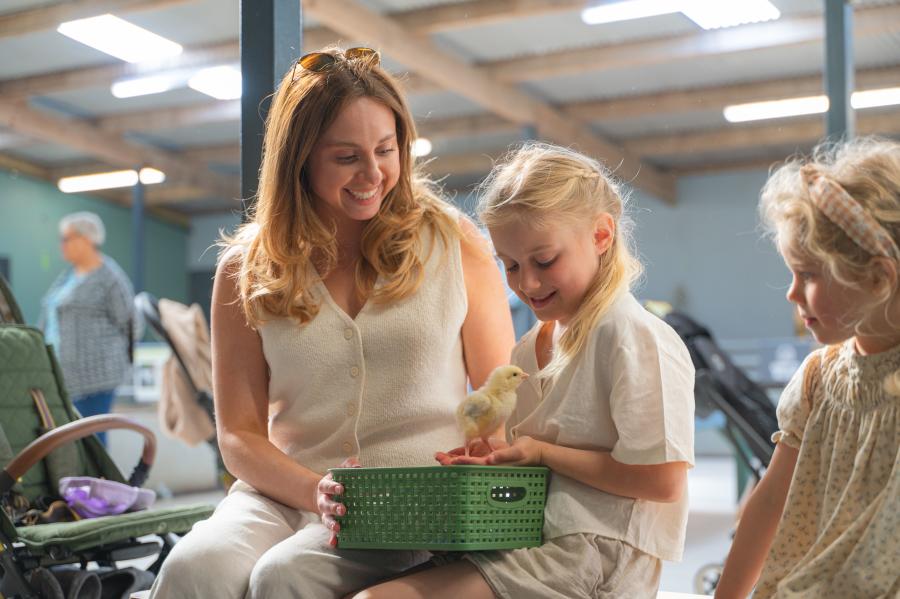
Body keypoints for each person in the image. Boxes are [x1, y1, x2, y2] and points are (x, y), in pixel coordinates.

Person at [149, 46, 514, 599]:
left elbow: (500, 404)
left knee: (286, 577)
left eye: (386, 150)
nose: (373, 174)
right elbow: (240, 436)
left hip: (409, 499)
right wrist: (315, 488)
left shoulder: (454, 243)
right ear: (300, 158)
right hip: (280, 490)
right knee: (192, 568)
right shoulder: (245, 269)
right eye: (346, 157)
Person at [353, 142, 696, 599]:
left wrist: (542, 453)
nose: (526, 283)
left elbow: (663, 480)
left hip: (598, 554)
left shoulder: (633, 337)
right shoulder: (529, 350)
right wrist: (491, 458)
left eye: (545, 261)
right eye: (510, 265)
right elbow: (532, 457)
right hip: (532, 536)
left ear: (600, 235)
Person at [714, 137, 900, 599]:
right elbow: (770, 501)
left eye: (809, 275)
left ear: (877, 277)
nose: (792, 294)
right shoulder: (820, 378)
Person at [40, 211, 135, 445]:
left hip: (95, 380)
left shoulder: (109, 276)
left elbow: (131, 322)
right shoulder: (67, 276)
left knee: (92, 443)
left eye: (67, 238)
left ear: (86, 239)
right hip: (64, 377)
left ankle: (97, 482)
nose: (62, 245)